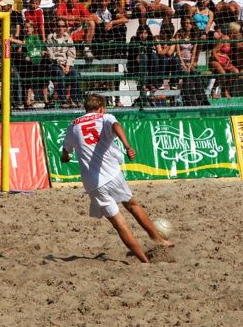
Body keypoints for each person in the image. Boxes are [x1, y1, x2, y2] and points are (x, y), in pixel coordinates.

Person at [61, 94, 174, 263]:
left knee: (119, 224)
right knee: (132, 205)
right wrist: (127, 146)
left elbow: (65, 152)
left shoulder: (72, 126)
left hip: (93, 184)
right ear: (101, 108)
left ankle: (145, 261)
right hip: (112, 174)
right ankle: (157, 238)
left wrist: (65, 157)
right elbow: (116, 126)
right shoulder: (105, 117)